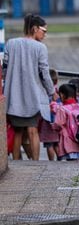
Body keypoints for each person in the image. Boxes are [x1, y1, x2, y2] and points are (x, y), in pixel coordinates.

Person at [3, 14, 56, 161]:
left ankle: (16, 163)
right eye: (43, 31)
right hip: (33, 96)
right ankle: (36, 163)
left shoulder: (10, 43)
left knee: (17, 131)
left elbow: (5, 69)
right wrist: (52, 91)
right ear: (34, 29)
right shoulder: (40, 48)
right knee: (32, 131)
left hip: (13, 96)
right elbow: (44, 73)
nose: (45, 35)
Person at [53, 84, 79, 161]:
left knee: (69, 161)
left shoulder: (62, 109)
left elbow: (58, 123)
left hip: (67, 140)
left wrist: (53, 127)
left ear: (62, 95)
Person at [39, 68, 60, 161]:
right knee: (56, 143)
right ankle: (60, 158)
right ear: (57, 81)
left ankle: (51, 160)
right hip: (57, 121)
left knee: (49, 144)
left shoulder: (44, 92)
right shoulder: (59, 92)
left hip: (47, 121)